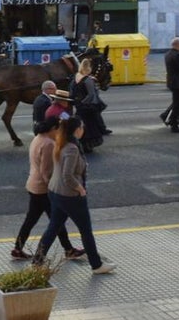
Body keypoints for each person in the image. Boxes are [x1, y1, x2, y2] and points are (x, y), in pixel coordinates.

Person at [32, 115, 116, 275]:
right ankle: (96, 265)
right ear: (77, 130)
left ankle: (37, 261)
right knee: (85, 230)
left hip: (55, 192)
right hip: (69, 195)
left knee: (53, 227)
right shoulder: (71, 148)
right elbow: (67, 175)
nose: (83, 129)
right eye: (82, 127)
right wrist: (80, 189)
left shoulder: (61, 143)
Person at [11, 114, 85, 261]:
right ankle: (67, 250)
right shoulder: (48, 144)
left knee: (32, 220)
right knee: (56, 221)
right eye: (58, 130)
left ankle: (18, 248)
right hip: (43, 188)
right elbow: (46, 172)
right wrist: (55, 188)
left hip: (33, 185)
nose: (59, 133)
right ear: (52, 128)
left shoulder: (37, 138)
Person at [70, 58, 105, 152]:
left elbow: (72, 92)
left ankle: (79, 143)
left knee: (80, 125)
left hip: (78, 106)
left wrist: (77, 102)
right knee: (90, 127)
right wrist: (83, 102)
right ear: (88, 67)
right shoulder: (88, 80)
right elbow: (91, 95)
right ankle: (88, 145)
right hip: (87, 108)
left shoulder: (75, 78)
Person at [163, 38, 179, 132]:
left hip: (172, 82)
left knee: (176, 103)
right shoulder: (177, 56)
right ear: (177, 45)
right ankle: (173, 124)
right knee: (177, 105)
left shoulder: (168, 54)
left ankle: (167, 117)